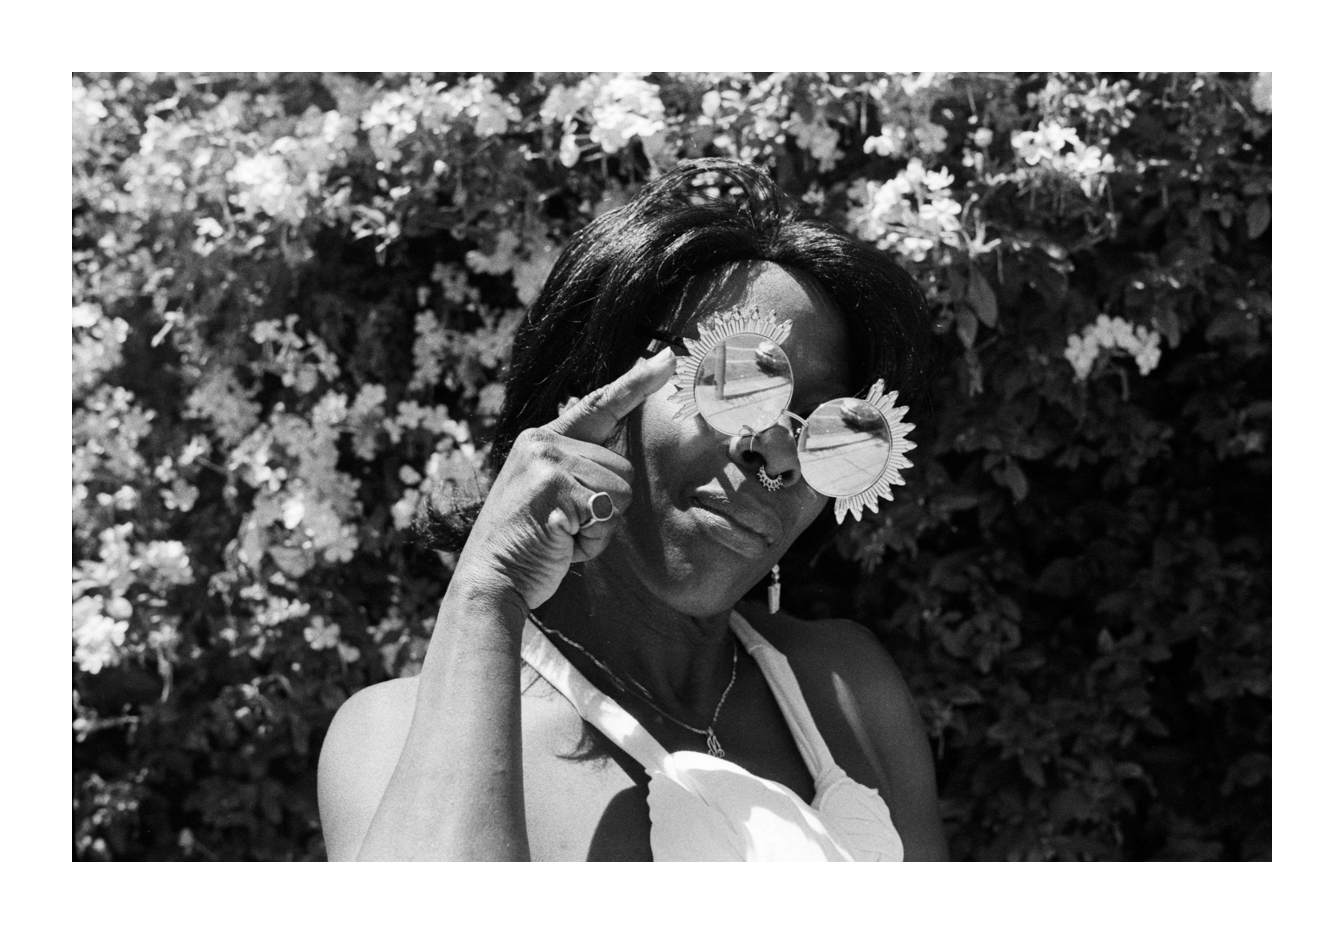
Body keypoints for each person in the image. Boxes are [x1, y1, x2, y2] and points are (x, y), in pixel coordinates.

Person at [317, 158, 949, 861]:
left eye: (832, 431)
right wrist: (487, 592)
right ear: (596, 384)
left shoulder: (849, 692)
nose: (777, 455)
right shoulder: (390, 737)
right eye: (738, 381)